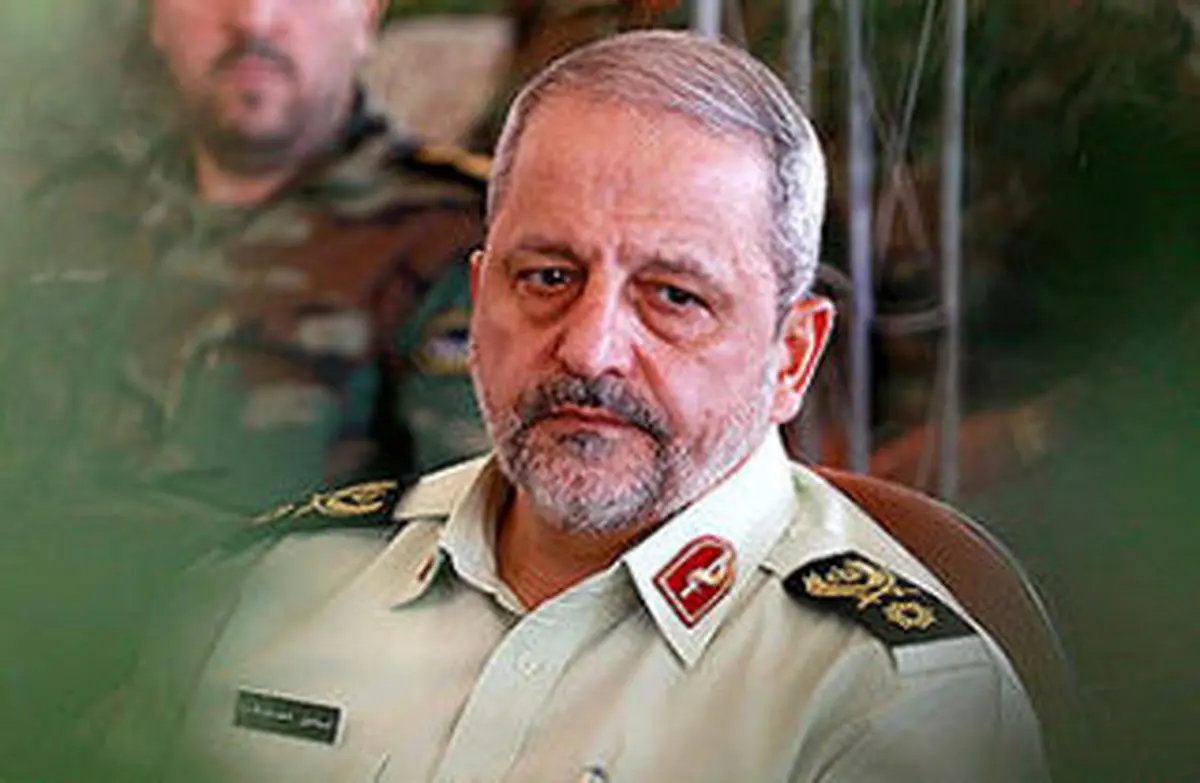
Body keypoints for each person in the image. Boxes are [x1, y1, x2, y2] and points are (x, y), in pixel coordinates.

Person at [99, 30, 1049, 783]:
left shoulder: (887, 701)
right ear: (480, 300)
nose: (590, 348)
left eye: (674, 296)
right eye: (548, 276)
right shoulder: (268, 592)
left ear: (791, 354)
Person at [0, 0, 487, 776]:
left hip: (247, 713)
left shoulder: (455, 238)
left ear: (367, 14)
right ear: (156, 18)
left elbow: (467, 543)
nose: (254, 21)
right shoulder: (63, 213)